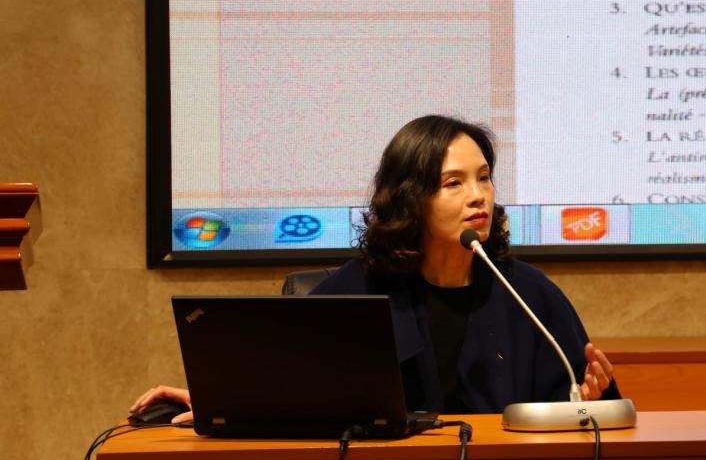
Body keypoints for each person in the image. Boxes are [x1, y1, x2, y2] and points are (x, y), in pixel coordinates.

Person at [131, 115, 618, 422]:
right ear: (412, 198)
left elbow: (581, 409)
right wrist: (221, 400)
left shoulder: (528, 294)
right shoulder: (357, 291)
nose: (479, 196)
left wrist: (589, 402)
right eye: (454, 183)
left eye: (485, 178)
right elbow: (290, 386)